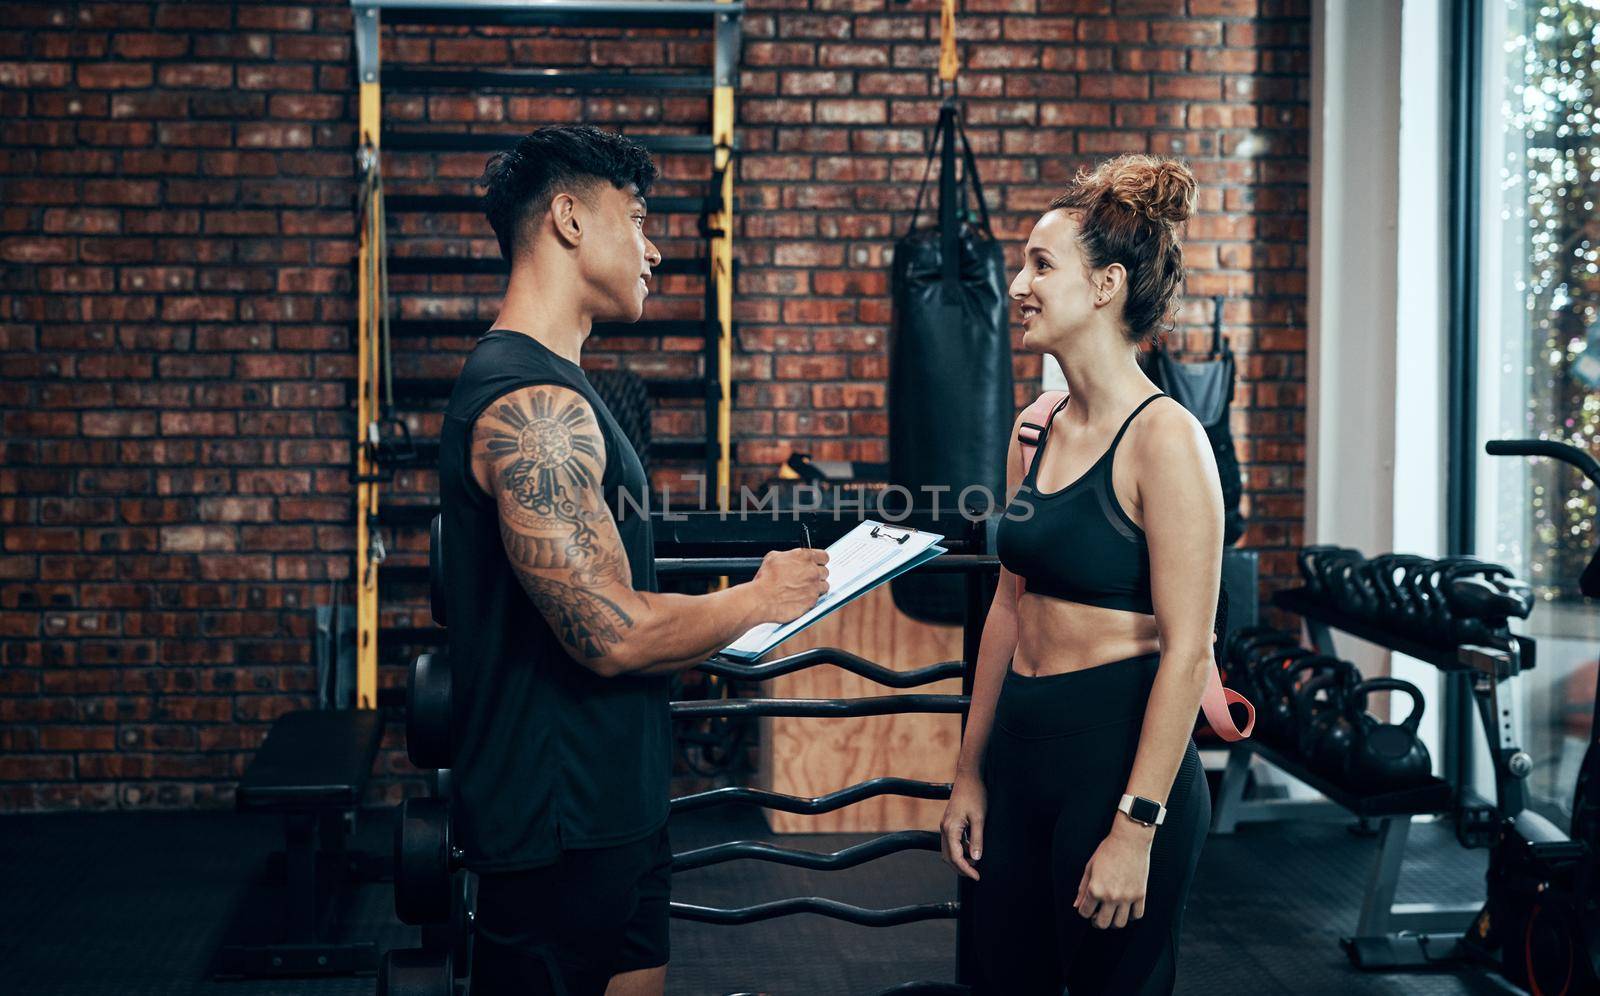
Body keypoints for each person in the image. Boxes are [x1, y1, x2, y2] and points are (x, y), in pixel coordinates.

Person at [439, 125, 829, 996]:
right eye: (640, 219)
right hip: (554, 824)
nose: (654, 250)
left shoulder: (565, 389)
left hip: (617, 804)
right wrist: (759, 599)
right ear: (571, 220)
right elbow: (608, 632)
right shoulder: (530, 403)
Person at [939, 154, 1224, 995]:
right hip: (1020, 750)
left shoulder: (1166, 440)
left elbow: (1188, 650)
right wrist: (969, 771)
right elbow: (1007, 602)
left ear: (1105, 286)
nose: (1019, 284)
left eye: (1040, 264)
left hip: (1116, 759)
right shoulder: (1039, 426)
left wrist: (1136, 827)